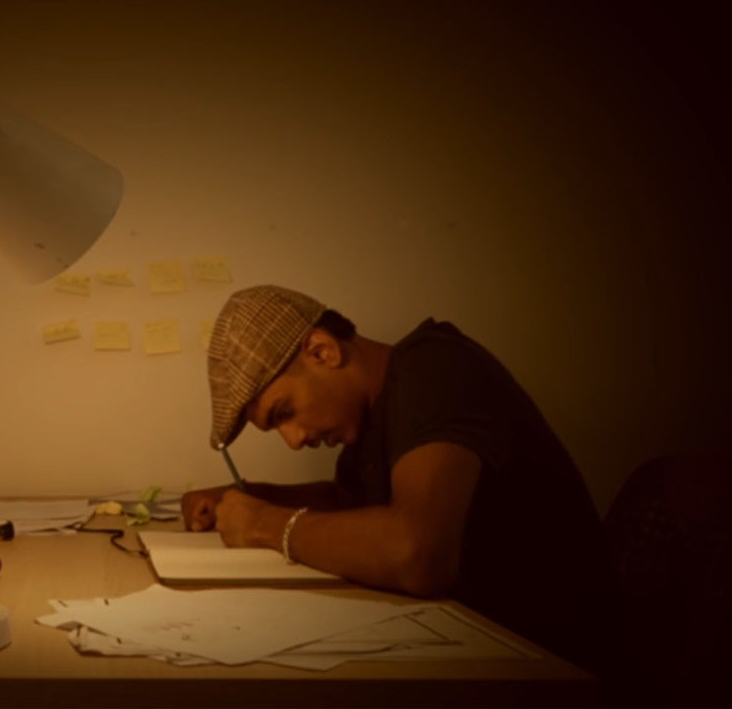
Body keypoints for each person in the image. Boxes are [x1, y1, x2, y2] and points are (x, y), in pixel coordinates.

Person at [185, 284, 618, 677]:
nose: (294, 440)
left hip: (553, 671)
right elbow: (347, 504)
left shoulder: (435, 368)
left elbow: (416, 552)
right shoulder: (371, 419)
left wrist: (263, 524)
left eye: (285, 413)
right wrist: (246, 495)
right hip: (477, 654)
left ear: (322, 351)